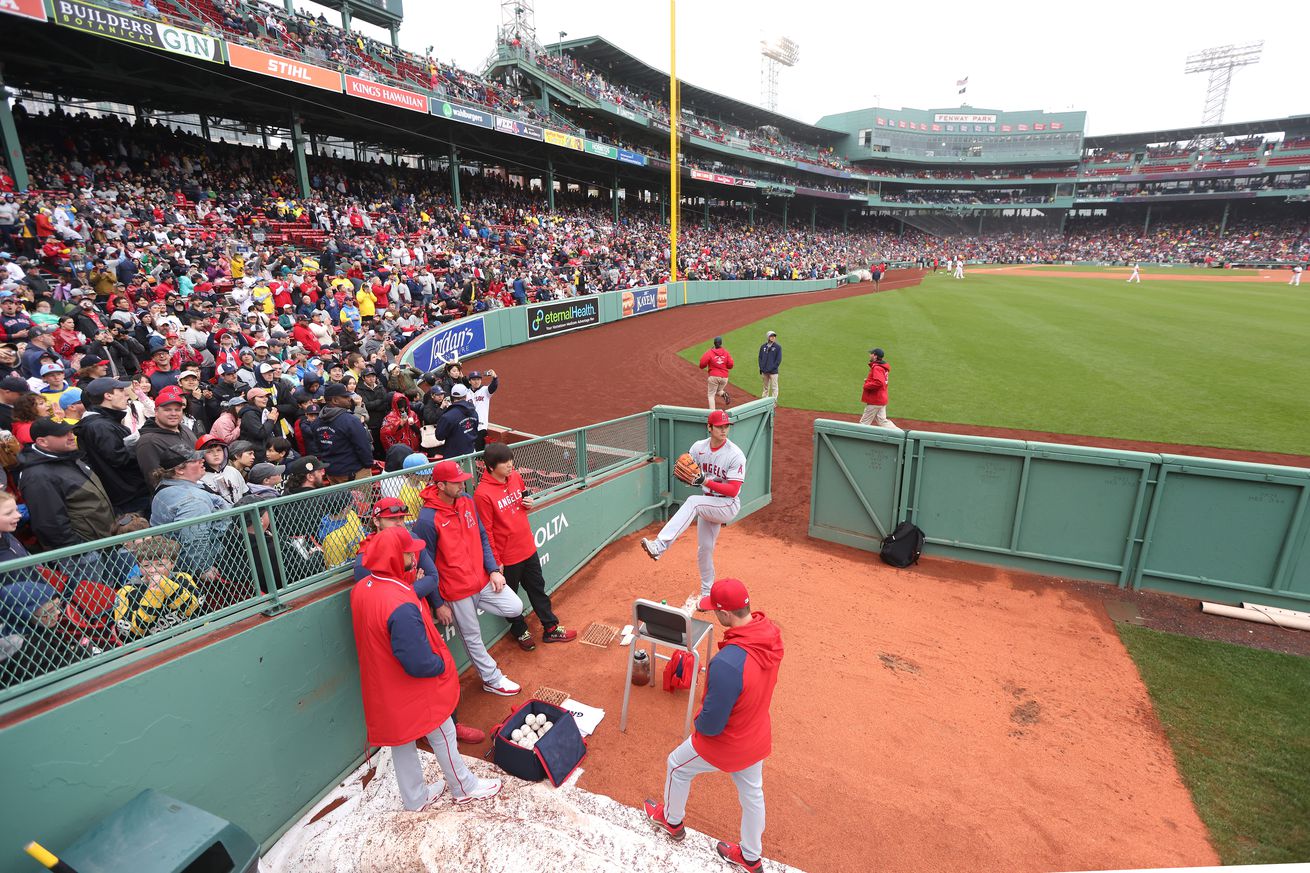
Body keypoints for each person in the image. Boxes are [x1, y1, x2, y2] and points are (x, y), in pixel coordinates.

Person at [350, 525, 502, 810]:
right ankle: (464, 787)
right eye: (409, 554)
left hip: (382, 683)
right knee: (442, 731)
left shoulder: (363, 587)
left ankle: (415, 798)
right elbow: (417, 662)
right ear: (396, 558)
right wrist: (440, 664)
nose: (414, 558)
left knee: (401, 742)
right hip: (410, 684)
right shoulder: (399, 600)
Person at [644, 578, 784, 873]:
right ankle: (750, 857)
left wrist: (698, 719)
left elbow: (711, 725)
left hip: (729, 741)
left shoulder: (728, 662)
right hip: (756, 734)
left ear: (726, 615)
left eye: (715, 611)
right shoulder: (769, 635)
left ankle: (670, 821)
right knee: (752, 795)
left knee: (676, 766)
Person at [415, 460, 524, 697]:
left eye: (462, 479)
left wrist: (493, 569)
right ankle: (491, 678)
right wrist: (438, 603)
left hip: (482, 579)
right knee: (472, 637)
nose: (462, 484)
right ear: (441, 485)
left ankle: (490, 675)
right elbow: (428, 564)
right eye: (456, 482)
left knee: (515, 606)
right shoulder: (427, 519)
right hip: (456, 589)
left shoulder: (466, 501)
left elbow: (482, 536)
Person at [474, 442, 577, 651]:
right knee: (509, 598)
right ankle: (520, 631)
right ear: (491, 467)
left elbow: (521, 501)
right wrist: (495, 563)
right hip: (507, 557)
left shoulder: (516, 477)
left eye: (511, 460)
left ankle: (550, 627)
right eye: (505, 462)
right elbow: (487, 532)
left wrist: (527, 503)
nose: (510, 465)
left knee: (537, 588)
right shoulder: (482, 494)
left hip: (527, 547)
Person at [640, 410, 746, 608]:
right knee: (704, 550)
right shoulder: (698, 448)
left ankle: (660, 546)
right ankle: (707, 593)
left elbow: (733, 490)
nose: (724, 430)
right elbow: (688, 470)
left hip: (727, 504)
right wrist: (691, 478)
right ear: (709, 427)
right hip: (708, 503)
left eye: (726, 426)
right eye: (719, 426)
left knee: (693, 502)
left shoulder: (735, 455)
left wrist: (705, 481)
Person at [18, 417, 115, 551]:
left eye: (71, 431)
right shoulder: (37, 476)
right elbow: (50, 524)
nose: (71, 436)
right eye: (63, 434)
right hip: (85, 553)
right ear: (42, 442)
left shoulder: (67, 457)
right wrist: (78, 552)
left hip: (103, 542)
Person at [148, 443, 232, 578]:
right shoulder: (193, 500)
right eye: (195, 460)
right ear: (179, 470)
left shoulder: (166, 486)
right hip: (213, 566)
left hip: (181, 565)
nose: (202, 460)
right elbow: (195, 538)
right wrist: (203, 569)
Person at [75, 376, 151, 514]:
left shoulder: (103, 423)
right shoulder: (100, 426)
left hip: (129, 495)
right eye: (121, 390)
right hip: (130, 498)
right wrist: (142, 444)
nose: (126, 393)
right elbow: (119, 459)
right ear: (108, 395)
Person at [311, 382, 373, 483]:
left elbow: (319, 448)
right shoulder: (350, 421)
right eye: (345, 397)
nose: (350, 399)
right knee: (362, 499)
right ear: (335, 400)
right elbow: (363, 447)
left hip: (332, 473)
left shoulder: (316, 422)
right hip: (354, 474)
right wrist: (368, 465)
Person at [135, 385, 199, 481]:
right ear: (156, 411)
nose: (173, 413)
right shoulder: (148, 442)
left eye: (177, 410)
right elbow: (155, 480)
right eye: (167, 410)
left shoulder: (185, 429)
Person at [435, 384, 479, 459]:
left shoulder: (448, 416)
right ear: (465, 396)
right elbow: (475, 428)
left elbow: (439, 436)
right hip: (471, 453)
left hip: (454, 457)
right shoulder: (474, 412)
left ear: (452, 397)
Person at [859, 348, 894, 428]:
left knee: (863, 424)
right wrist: (869, 380)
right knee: (883, 422)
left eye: (871, 353)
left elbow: (879, 382)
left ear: (875, 356)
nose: (870, 355)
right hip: (881, 398)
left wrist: (866, 385)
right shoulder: (882, 367)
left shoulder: (877, 367)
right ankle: (900, 434)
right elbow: (879, 380)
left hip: (875, 400)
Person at [466, 369, 498, 452]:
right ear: (469, 381)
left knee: (479, 451)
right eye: (474, 379)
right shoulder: (466, 392)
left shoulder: (485, 390)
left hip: (481, 426)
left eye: (478, 379)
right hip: (469, 426)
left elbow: (493, 387)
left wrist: (495, 378)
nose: (476, 382)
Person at [699, 337, 734, 410]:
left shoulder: (710, 352)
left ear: (714, 343)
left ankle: (712, 413)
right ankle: (724, 394)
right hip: (724, 378)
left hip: (714, 377)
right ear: (721, 343)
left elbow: (702, 365)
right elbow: (730, 365)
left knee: (711, 395)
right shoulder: (726, 352)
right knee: (718, 391)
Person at [757, 331, 781, 400]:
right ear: (768, 337)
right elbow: (760, 358)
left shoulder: (778, 347)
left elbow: (778, 360)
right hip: (764, 371)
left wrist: (771, 369)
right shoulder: (763, 347)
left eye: (774, 336)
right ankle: (764, 400)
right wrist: (761, 368)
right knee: (765, 387)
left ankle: (774, 402)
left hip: (773, 372)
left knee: (774, 388)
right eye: (771, 336)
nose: (773, 337)